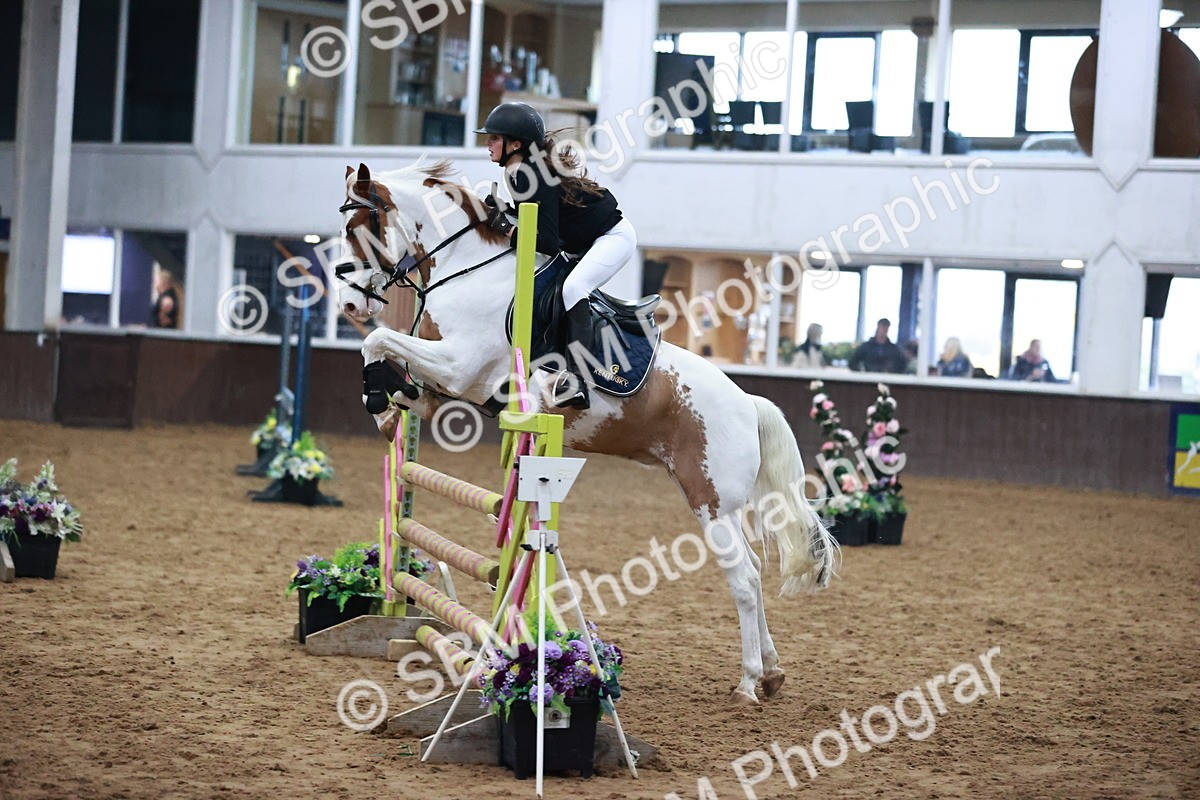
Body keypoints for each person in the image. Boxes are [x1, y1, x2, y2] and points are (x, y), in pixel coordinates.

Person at [477, 102, 636, 410]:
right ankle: (519, 381)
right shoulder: (518, 172)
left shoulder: (531, 173)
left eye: (494, 138)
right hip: (585, 241)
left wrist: (505, 227)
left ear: (516, 144)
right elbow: (535, 223)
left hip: (612, 237)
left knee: (574, 288)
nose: (487, 144)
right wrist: (504, 214)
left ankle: (578, 381)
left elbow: (547, 242)